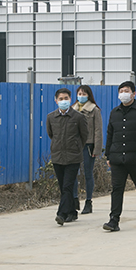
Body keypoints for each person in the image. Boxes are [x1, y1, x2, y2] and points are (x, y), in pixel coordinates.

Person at [103, 81, 136, 232]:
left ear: (133, 93)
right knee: (117, 188)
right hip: (117, 158)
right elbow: (110, 134)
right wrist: (108, 155)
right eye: (121, 91)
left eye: (126, 91)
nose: (123, 94)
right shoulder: (114, 112)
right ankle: (114, 220)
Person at [46, 88, 88, 225]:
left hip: (73, 157)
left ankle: (61, 214)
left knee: (68, 185)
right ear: (56, 100)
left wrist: (76, 147)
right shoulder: (51, 117)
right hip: (57, 156)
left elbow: (84, 135)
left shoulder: (78, 117)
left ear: (70, 100)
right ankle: (72, 212)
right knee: (62, 186)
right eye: (60, 99)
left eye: (66, 98)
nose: (63, 101)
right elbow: (51, 134)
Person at [71, 85, 103, 215]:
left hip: (88, 146)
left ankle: (88, 202)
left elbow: (98, 130)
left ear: (89, 95)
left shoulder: (94, 110)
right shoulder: (71, 109)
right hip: (73, 146)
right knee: (72, 173)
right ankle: (74, 200)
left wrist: (97, 149)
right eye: (79, 93)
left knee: (87, 173)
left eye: (84, 94)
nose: (81, 96)